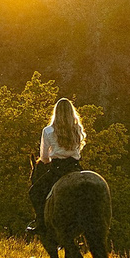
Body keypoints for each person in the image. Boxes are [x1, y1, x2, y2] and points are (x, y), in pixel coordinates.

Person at [28, 97, 86, 232]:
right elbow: (78, 149)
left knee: (34, 192)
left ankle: (40, 222)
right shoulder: (77, 128)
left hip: (58, 169)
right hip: (76, 168)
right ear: (72, 112)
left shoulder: (48, 131)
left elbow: (44, 158)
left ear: (56, 112)